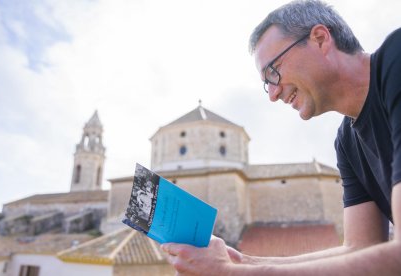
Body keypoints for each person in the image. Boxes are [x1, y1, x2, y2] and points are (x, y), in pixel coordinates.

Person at [160, 0, 401, 274]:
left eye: (273, 71)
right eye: (267, 85)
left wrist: (229, 273)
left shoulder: (397, 58)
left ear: (320, 39)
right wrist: (241, 260)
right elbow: (360, 248)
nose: (273, 94)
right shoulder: (346, 142)